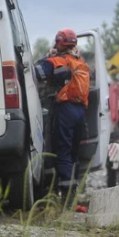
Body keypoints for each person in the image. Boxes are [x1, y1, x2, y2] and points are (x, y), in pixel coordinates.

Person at [34, 28, 91, 196]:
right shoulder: (80, 62)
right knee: (74, 151)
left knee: (63, 150)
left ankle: (65, 191)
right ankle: (73, 188)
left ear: (59, 43)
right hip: (81, 111)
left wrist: (46, 56)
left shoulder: (56, 61)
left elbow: (36, 72)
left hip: (65, 109)